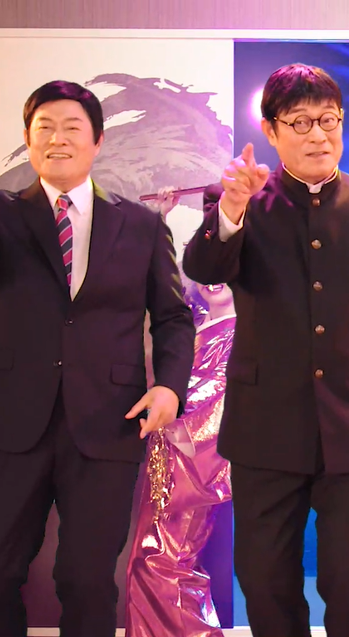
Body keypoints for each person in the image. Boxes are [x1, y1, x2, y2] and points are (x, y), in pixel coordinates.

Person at [181, 63, 349, 637]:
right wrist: (232, 210)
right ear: (271, 132)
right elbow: (203, 268)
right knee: (264, 575)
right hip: (264, 424)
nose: (318, 134)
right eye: (300, 122)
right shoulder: (240, 202)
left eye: (329, 120)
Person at [0, 80, 195, 637]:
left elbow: (173, 316)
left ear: (97, 141)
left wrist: (169, 386)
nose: (57, 139)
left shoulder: (141, 224)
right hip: (10, 421)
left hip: (107, 421)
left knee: (87, 581)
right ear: (28, 140)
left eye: (71, 128)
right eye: (44, 128)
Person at [125, 183, 234, 637]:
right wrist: (164, 221)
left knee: (163, 557)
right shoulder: (199, 324)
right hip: (169, 460)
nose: (213, 279)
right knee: (154, 555)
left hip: (194, 464)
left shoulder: (241, 333)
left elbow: (218, 402)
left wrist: (171, 415)